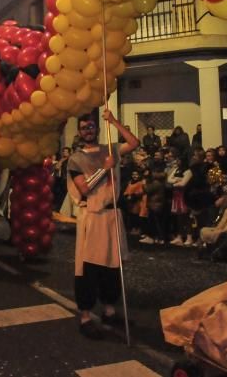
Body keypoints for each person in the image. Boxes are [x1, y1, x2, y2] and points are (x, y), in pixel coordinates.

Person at [67, 109, 138, 340]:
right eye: (84, 127)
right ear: (79, 131)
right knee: (88, 267)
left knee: (112, 264)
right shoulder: (76, 158)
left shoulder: (111, 148)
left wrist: (114, 121)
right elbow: (85, 189)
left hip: (111, 216)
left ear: (97, 128)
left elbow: (133, 142)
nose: (88, 130)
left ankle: (109, 309)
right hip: (92, 216)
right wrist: (105, 168)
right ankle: (86, 315)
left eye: (91, 126)